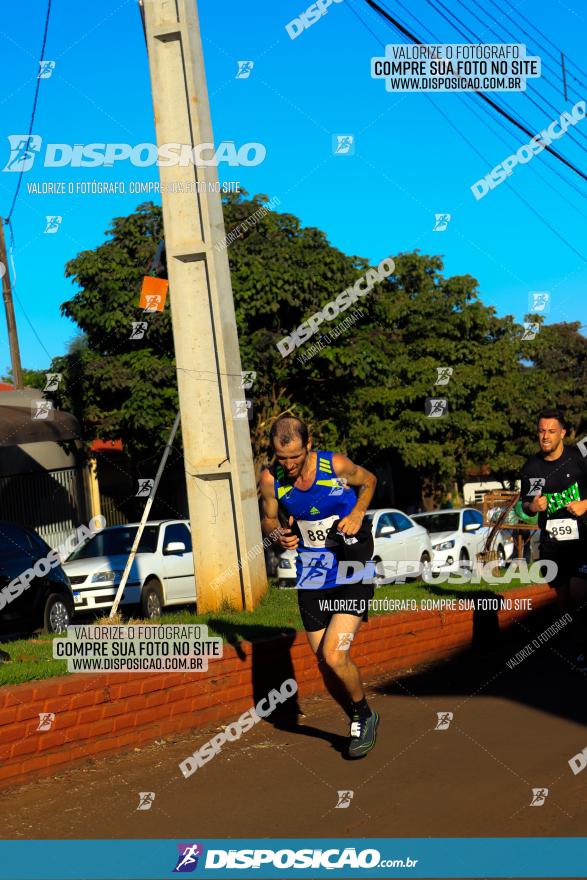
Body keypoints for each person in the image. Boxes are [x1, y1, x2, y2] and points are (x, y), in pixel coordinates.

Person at [260, 414, 379, 758]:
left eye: (295, 456)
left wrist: (357, 513)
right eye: (282, 458)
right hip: (312, 571)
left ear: (308, 444)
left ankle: (363, 716)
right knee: (324, 665)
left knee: (333, 653)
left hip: (350, 565)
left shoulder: (335, 465)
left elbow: (369, 481)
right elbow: (269, 517)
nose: (289, 464)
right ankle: (361, 715)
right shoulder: (272, 479)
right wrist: (277, 534)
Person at [520, 408, 587, 666]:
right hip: (553, 543)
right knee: (564, 599)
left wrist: (585, 505)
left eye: (551, 431)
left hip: (582, 538)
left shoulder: (578, 458)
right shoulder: (533, 467)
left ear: (563, 433)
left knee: (580, 592)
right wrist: (533, 508)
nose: (545, 436)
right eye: (541, 431)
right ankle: (580, 647)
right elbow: (528, 505)